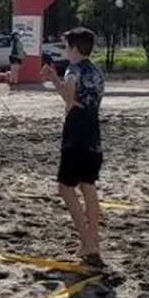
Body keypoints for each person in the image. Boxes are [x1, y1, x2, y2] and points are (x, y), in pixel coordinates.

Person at [40, 28, 105, 266]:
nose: (64, 49)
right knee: (88, 186)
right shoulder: (97, 72)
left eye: (66, 46)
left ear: (75, 48)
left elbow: (69, 99)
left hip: (76, 132)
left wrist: (53, 78)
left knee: (66, 189)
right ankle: (93, 240)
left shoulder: (73, 70)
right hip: (93, 132)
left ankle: (88, 241)